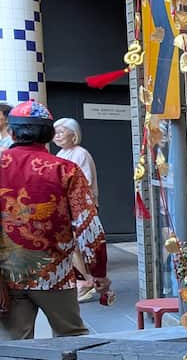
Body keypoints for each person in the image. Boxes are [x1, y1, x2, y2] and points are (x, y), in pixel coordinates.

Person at [0, 101, 109, 339]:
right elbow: (89, 227)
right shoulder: (65, 169)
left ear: (11, 132)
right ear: (49, 134)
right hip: (55, 274)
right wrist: (97, 272)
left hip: (8, 275)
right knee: (72, 338)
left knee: (14, 347)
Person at [53, 118, 100, 302]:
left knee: (74, 245)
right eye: (55, 132)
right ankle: (85, 281)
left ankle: (85, 282)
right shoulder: (62, 153)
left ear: (74, 134)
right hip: (67, 208)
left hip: (80, 208)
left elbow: (84, 182)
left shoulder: (80, 154)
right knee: (74, 246)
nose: (57, 135)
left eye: (61, 131)